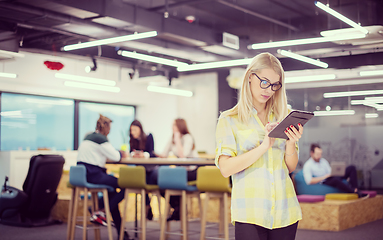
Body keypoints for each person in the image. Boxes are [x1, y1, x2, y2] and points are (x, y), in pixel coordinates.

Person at [215, 52, 302, 240]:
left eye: (275, 85)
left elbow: (290, 167)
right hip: (250, 210)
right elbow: (225, 168)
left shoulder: (284, 115)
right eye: (264, 82)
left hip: (285, 209)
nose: (269, 90)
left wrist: (291, 143)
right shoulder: (229, 119)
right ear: (249, 77)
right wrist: (264, 146)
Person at [76, 114, 132, 240]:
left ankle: (123, 234)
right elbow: (117, 157)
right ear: (106, 128)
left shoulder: (87, 137)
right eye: (110, 128)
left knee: (111, 194)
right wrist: (121, 153)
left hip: (84, 174)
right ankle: (101, 211)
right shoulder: (101, 139)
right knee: (127, 185)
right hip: (94, 175)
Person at [158, 118, 198, 221]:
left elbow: (182, 155)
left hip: (192, 171)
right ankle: (178, 208)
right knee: (161, 182)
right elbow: (164, 154)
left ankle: (179, 210)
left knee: (169, 180)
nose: (172, 127)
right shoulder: (172, 138)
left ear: (180, 126)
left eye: (174, 125)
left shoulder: (187, 137)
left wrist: (177, 140)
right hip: (181, 171)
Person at [302, 143, 367, 198]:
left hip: (331, 177)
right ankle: (354, 192)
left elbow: (330, 171)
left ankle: (355, 188)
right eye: (317, 154)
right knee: (335, 180)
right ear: (312, 153)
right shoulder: (308, 165)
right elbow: (309, 181)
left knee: (351, 168)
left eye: (320, 154)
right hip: (324, 181)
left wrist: (335, 173)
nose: (319, 156)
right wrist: (324, 177)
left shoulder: (323, 161)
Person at [129, 119, 156, 220]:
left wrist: (143, 155)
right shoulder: (132, 140)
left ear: (140, 129)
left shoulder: (148, 137)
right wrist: (134, 155)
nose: (133, 133)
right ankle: (148, 208)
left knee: (146, 182)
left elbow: (151, 153)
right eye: (131, 131)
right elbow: (130, 152)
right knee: (141, 182)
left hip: (149, 169)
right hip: (140, 170)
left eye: (135, 130)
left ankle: (148, 207)